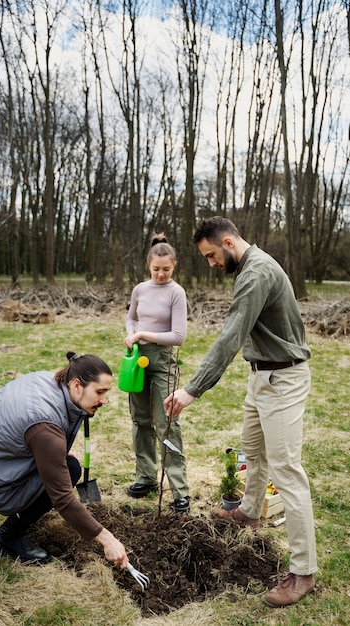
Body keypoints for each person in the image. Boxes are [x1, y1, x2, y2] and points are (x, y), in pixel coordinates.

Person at [164, 217, 317, 607]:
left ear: (229, 242)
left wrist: (192, 389)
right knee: (253, 447)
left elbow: (231, 335)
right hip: (261, 376)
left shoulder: (255, 274)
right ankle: (249, 512)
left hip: (283, 380)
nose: (211, 264)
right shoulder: (249, 267)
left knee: (286, 471)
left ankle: (303, 571)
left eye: (212, 255)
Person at [0, 351, 129, 569]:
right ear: (76, 385)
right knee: (70, 470)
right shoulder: (45, 423)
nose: (104, 400)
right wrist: (107, 539)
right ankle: (7, 539)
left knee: (62, 462)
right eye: (100, 392)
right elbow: (63, 499)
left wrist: (57, 450)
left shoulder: (48, 380)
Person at [124, 233, 190, 513]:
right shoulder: (140, 289)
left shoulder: (177, 292)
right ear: (148, 265)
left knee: (167, 423)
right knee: (140, 420)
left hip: (163, 360)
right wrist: (131, 334)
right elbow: (131, 317)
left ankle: (179, 491)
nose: (161, 274)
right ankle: (147, 478)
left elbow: (178, 336)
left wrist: (143, 333)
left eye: (167, 269)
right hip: (137, 357)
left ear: (174, 266)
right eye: (156, 269)